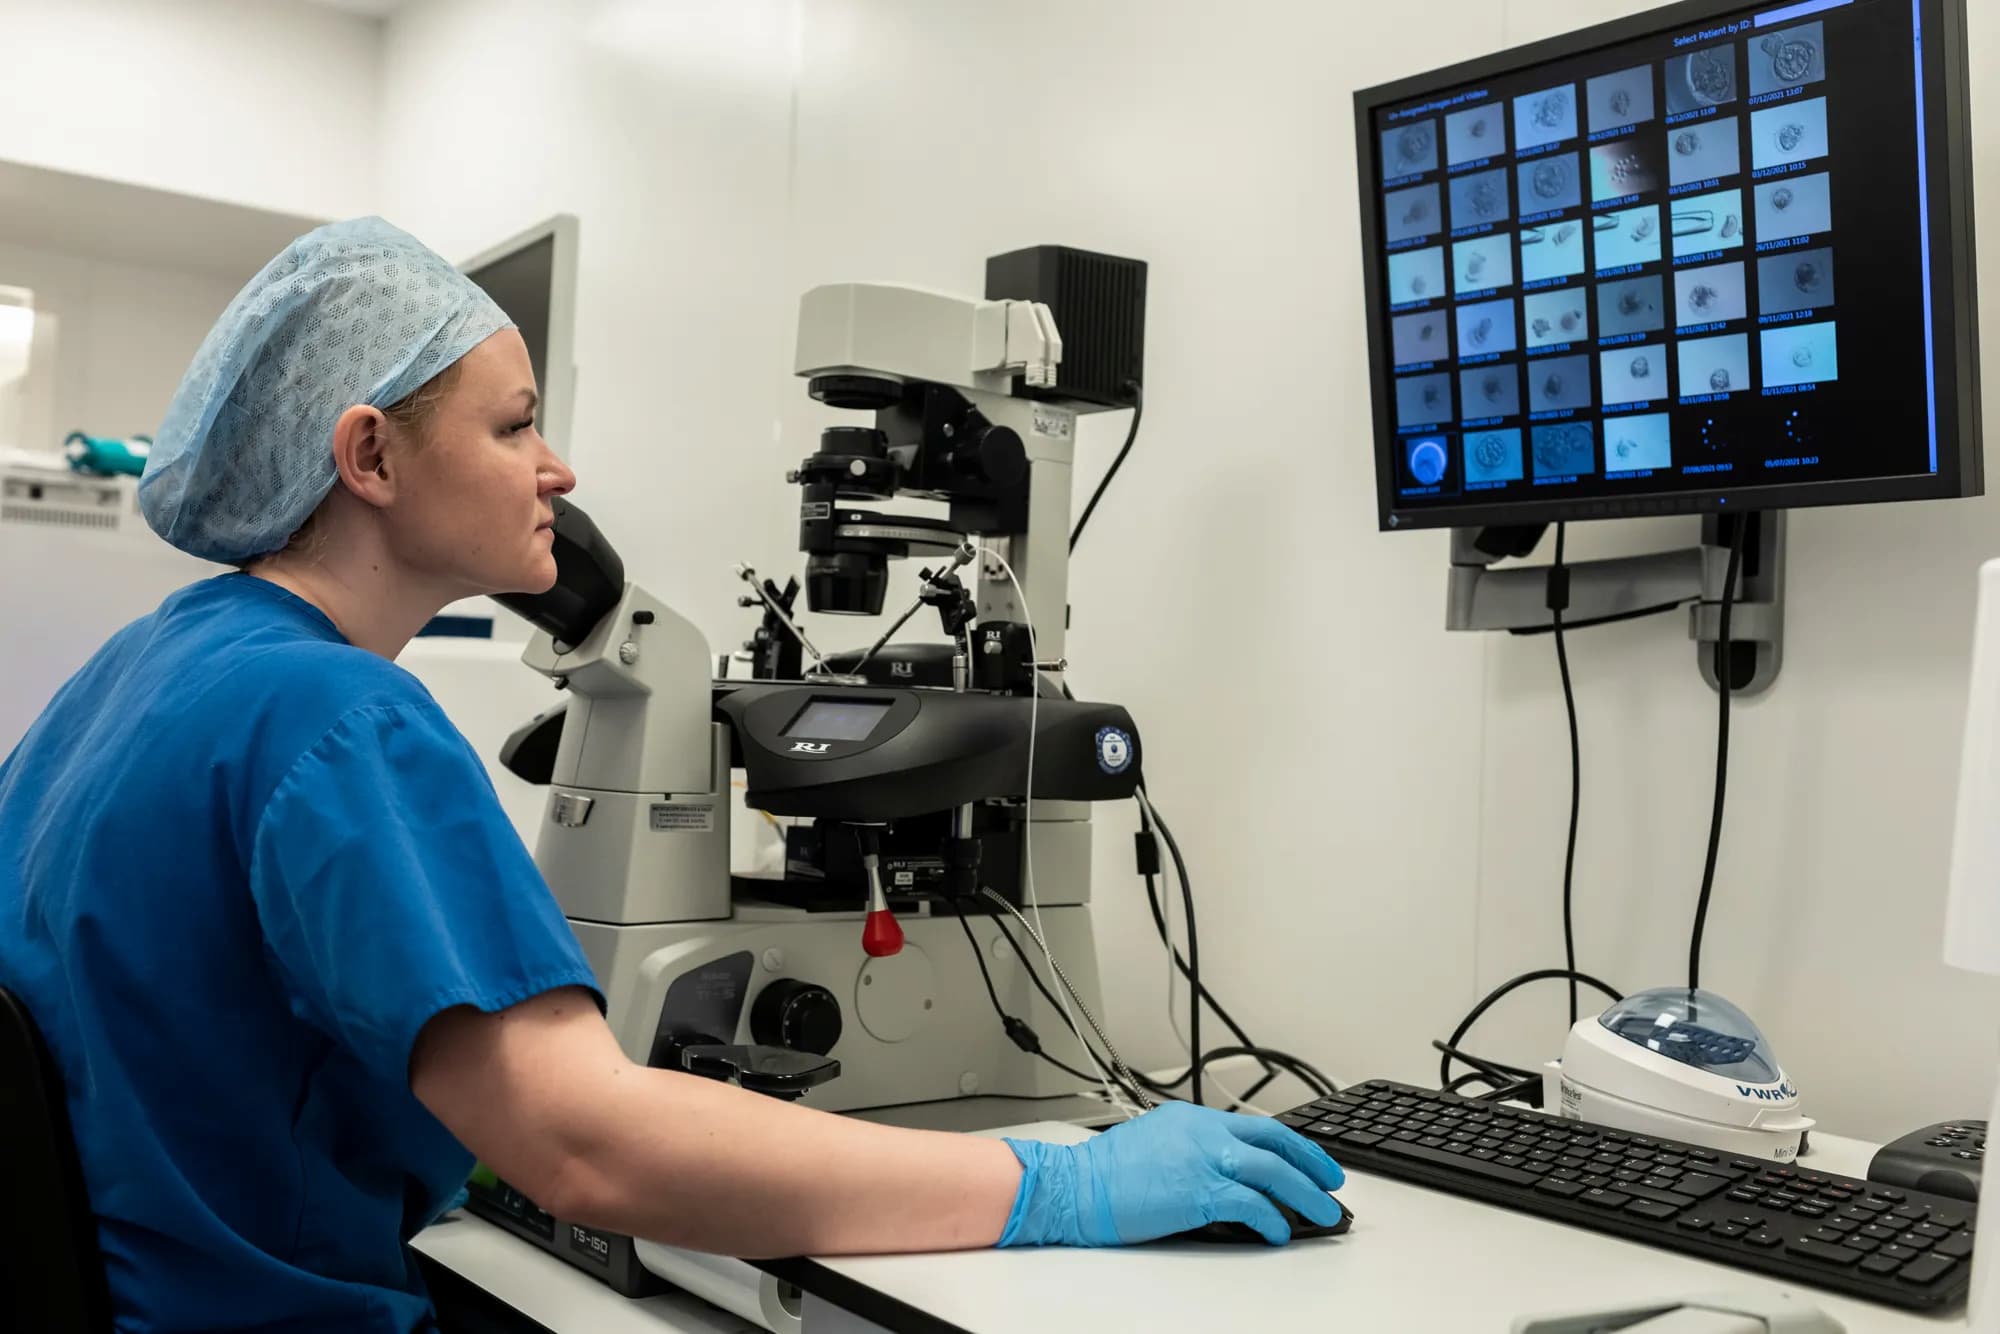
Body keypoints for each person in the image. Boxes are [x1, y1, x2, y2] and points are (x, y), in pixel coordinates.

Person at [0, 218, 1345, 1333]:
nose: (558, 466)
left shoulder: (134, 675)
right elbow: (587, 1148)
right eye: (517, 426)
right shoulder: (339, 718)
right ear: (371, 457)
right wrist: (1055, 1182)